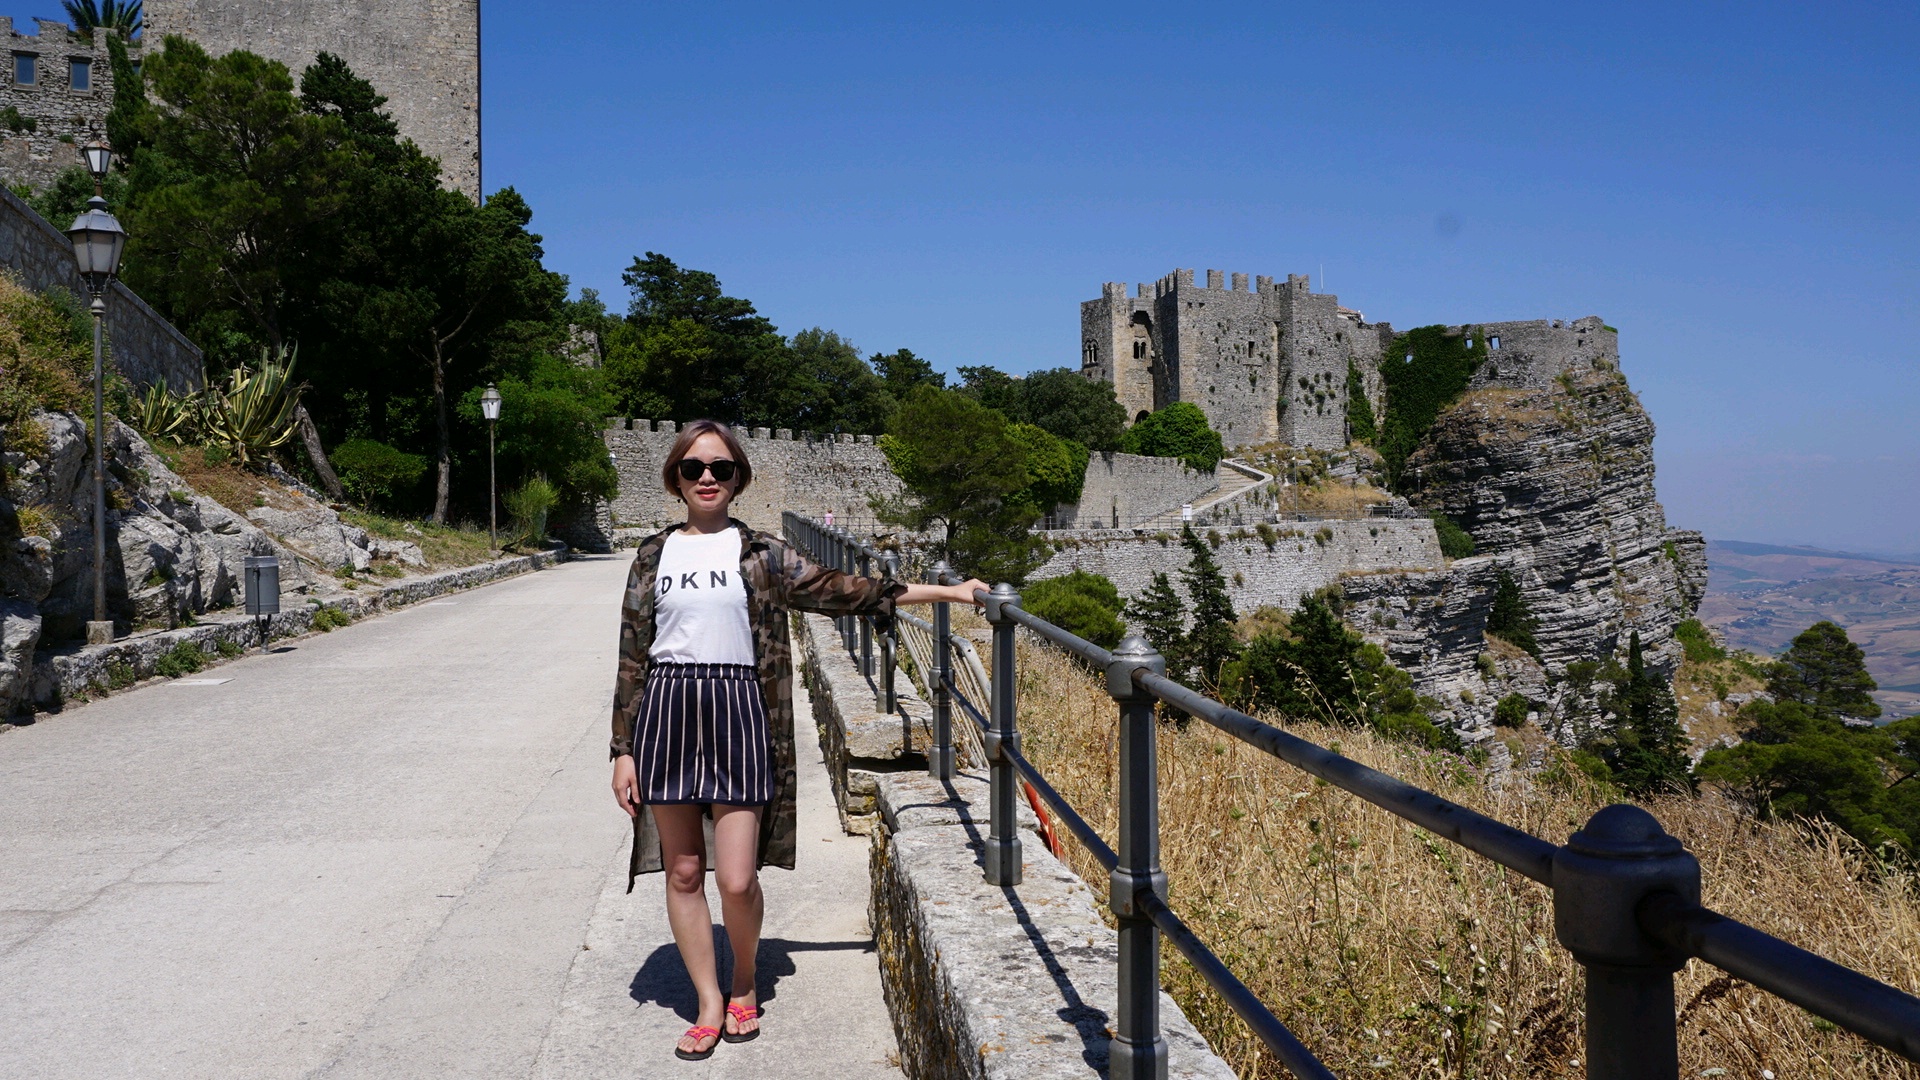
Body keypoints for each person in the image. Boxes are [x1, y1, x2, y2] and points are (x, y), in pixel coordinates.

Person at [608, 419, 986, 1062]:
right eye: (694, 467)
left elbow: (849, 591)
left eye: (720, 468)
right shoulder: (652, 555)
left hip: (741, 712)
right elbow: (632, 653)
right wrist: (622, 748)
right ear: (675, 477)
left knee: (734, 878)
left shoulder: (762, 554)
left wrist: (950, 591)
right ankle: (706, 1003)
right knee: (682, 870)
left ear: (737, 479)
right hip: (666, 712)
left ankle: (745, 980)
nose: (707, 477)